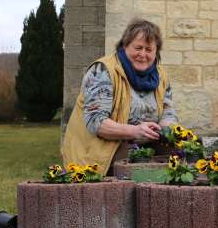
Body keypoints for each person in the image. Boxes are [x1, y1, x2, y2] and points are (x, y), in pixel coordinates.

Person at [62, 19, 178, 174]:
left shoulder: (161, 75)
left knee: (182, 156)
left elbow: (168, 112)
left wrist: (165, 130)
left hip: (143, 144)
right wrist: (135, 131)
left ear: (156, 51)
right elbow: (97, 122)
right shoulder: (103, 70)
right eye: (138, 48)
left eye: (149, 49)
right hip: (101, 150)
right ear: (125, 46)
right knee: (137, 170)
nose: (143, 54)